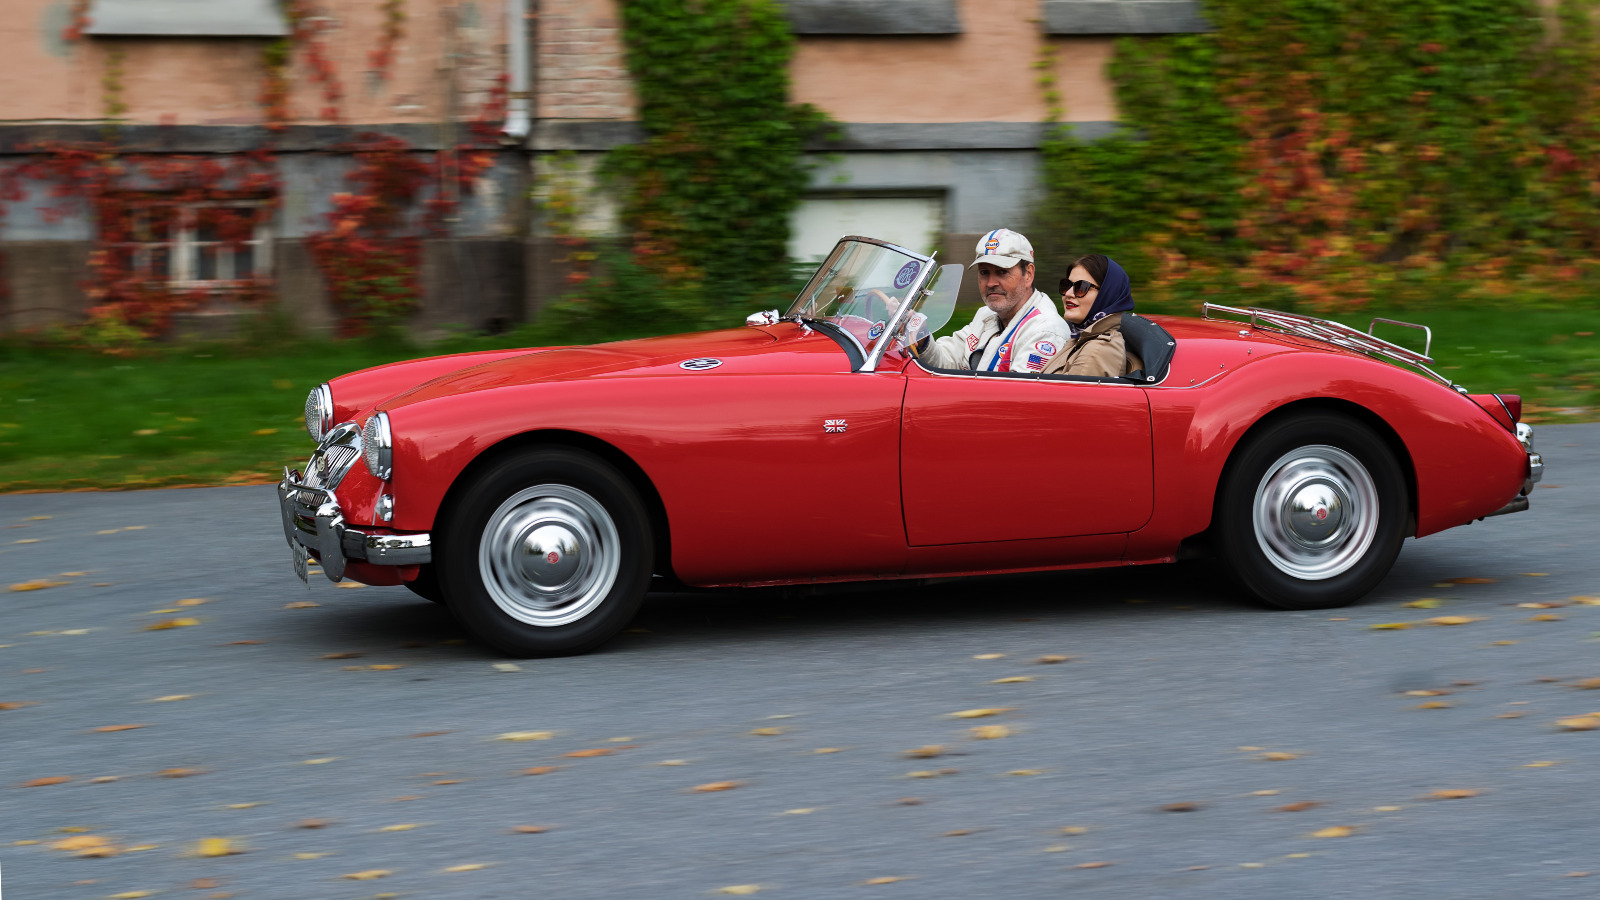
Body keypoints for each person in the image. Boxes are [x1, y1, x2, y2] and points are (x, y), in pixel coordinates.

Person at [915, 229, 1072, 373]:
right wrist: (921, 338)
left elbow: (1017, 397)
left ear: (1028, 274)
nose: (990, 283)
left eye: (1002, 272)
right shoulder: (986, 314)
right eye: (984, 272)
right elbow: (947, 362)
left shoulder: (1045, 330)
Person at [1040, 254, 1143, 378]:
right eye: (1067, 285)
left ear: (1106, 295)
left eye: (1081, 287)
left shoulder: (1096, 351)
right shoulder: (1078, 338)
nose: (1068, 293)